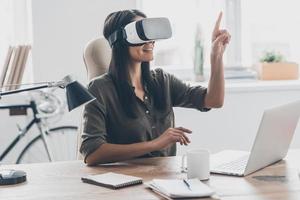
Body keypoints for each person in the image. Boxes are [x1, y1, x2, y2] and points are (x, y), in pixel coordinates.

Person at [80, 9, 231, 166]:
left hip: (165, 180)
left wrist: (216, 56)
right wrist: (155, 144)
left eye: (151, 34)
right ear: (120, 39)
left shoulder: (161, 81)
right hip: (126, 184)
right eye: (141, 33)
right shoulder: (99, 89)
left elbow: (213, 100)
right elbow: (92, 153)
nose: (151, 41)